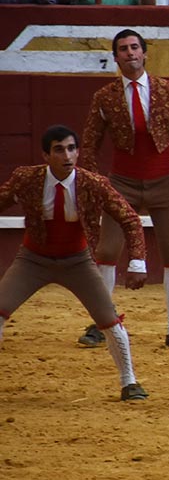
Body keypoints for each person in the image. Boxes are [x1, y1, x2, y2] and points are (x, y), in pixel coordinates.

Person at [77, 29, 169, 348]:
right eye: (123, 49)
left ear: (145, 53)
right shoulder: (105, 96)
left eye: (135, 47)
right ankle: (102, 321)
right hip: (120, 183)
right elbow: (89, 145)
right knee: (107, 251)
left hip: (164, 181)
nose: (130, 53)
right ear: (115, 57)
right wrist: (95, 186)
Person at [0, 125, 148, 402]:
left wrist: (137, 260)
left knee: (109, 320)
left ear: (78, 152)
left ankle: (130, 381)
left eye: (71, 148)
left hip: (77, 261)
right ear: (46, 155)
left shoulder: (93, 183)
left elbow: (129, 219)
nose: (67, 155)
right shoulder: (27, 179)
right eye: (59, 149)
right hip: (32, 259)